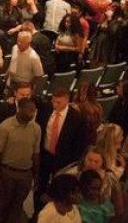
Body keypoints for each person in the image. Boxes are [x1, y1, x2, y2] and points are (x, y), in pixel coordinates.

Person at [36, 87, 86, 215]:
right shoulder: (46, 109)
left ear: (67, 101)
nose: (55, 105)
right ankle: (37, 212)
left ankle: (55, 214)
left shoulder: (76, 118)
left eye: (58, 102)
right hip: (45, 155)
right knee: (40, 185)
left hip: (63, 159)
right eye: (53, 101)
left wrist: (71, 162)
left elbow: (79, 144)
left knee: (59, 188)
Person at [0, 98, 41, 223]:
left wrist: (36, 175)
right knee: (4, 204)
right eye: (29, 111)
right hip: (7, 173)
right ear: (20, 109)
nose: (32, 114)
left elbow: (36, 153)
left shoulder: (36, 129)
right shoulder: (5, 127)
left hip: (26, 174)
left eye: (34, 111)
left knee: (18, 206)